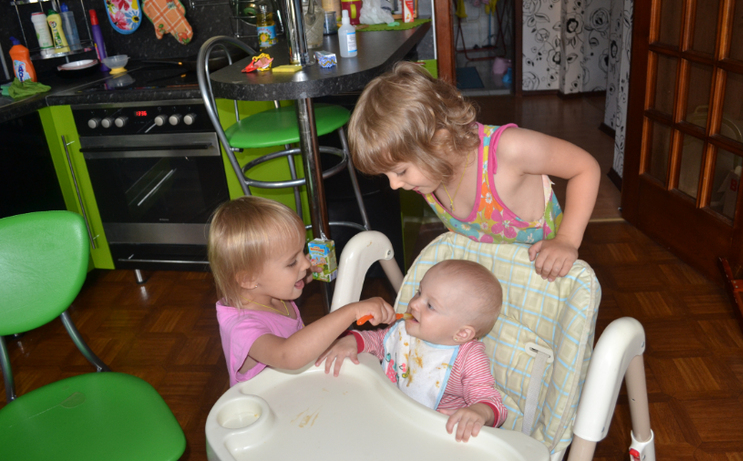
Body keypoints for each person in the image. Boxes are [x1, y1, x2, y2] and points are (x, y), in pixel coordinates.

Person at [347, 62, 601, 281]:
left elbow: (585, 168)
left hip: (543, 276)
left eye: (401, 171)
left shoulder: (509, 150)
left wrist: (567, 240)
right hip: (492, 282)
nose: (394, 185)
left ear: (438, 141)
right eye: (387, 175)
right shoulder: (429, 174)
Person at [208, 196, 396, 386]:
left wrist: (308, 273)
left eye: (302, 252)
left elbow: (289, 279)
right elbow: (287, 355)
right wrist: (351, 311)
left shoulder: (270, 292)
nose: (305, 263)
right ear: (248, 279)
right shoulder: (241, 326)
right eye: (292, 262)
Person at [317, 259, 506, 442]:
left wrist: (479, 412)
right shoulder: (405, 330)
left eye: (430, 305)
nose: (414, 304)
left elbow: (490, 400)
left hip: (434, 433)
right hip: (391, 414)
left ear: (462, 333)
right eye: (419, 293)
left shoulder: (468, 358)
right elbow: (379, 341)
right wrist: (353, 340)